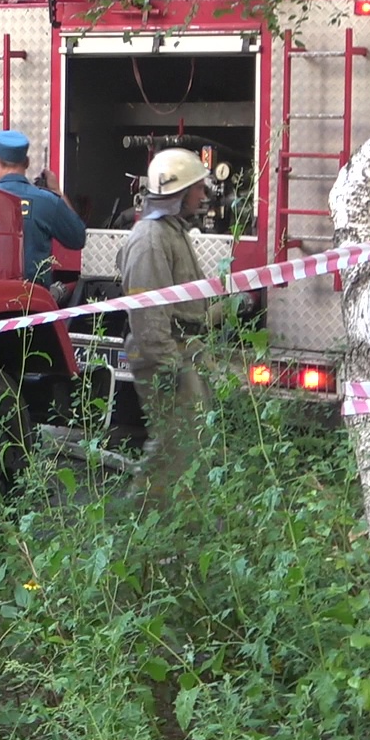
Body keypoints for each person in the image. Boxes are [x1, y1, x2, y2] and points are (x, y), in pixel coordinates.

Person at [117, 148, 217, 497]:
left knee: (194, 444)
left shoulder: (172, 231)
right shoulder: (149, 240)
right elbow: (147, 313)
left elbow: (183, 300)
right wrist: (169, 365)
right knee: (172, 446)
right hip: (166, 353)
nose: (203, 195)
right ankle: (135, 526)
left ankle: (183, 529)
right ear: (179, 193)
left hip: (183, 348)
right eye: (198, 188)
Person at [0, 129, 87, 286]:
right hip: (34, 301)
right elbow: (78, 238)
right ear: (27, 163)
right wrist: (57, 192)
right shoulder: (47, 201)